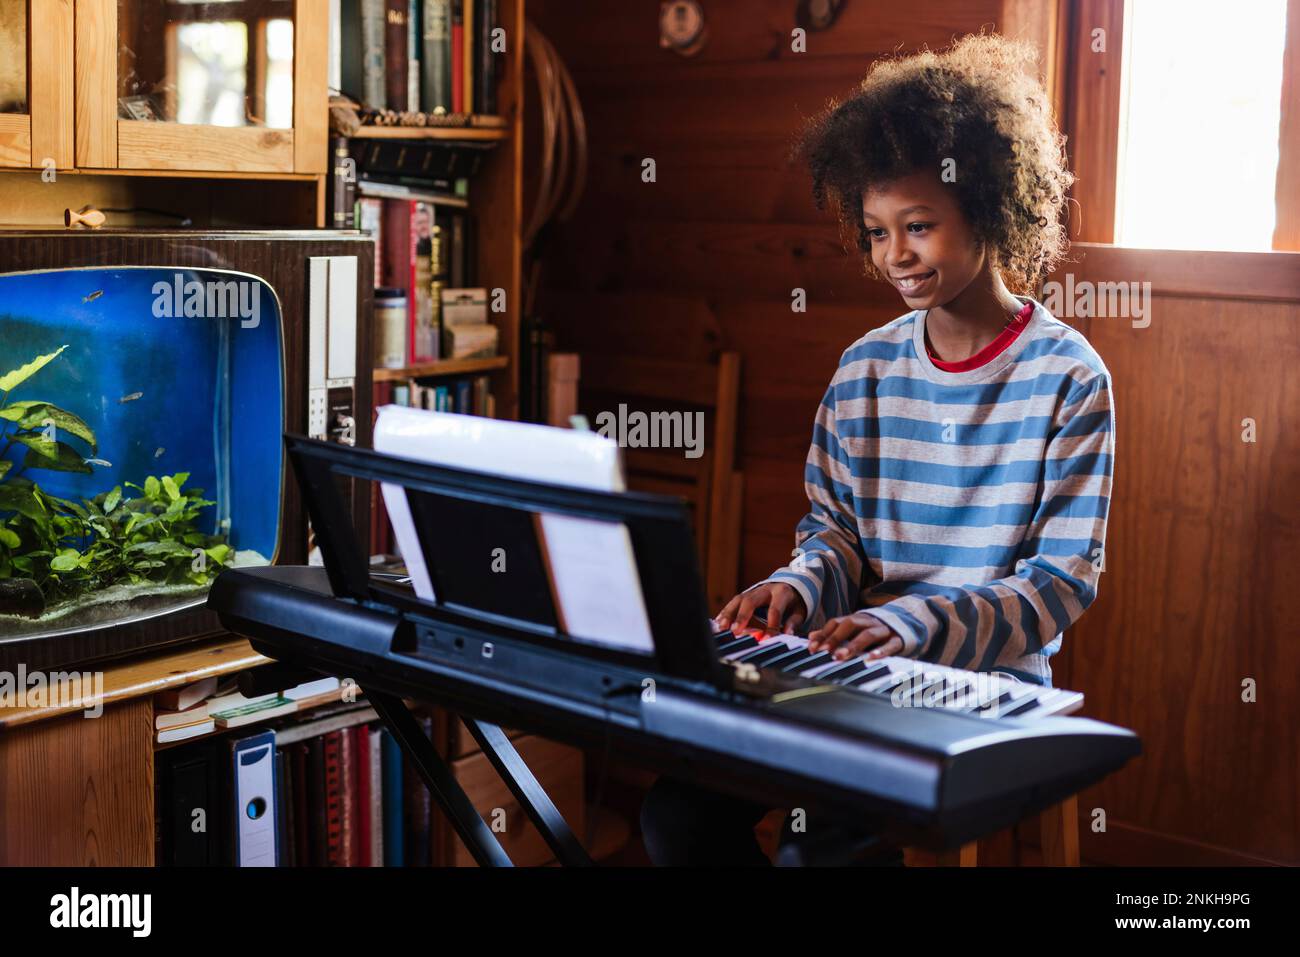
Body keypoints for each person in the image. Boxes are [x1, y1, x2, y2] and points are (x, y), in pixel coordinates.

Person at [642, 32, 1114, 866]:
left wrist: (909, 623)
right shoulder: (865, 369)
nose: (896, 254)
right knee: (679, 812)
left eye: (920, 226)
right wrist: (794, 588)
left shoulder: (1067, 376)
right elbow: (834, 537)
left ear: (993, 206)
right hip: (849, 662)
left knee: (834, 831)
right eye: (875, 231)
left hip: (979, 681)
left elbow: (1060, 584)